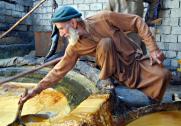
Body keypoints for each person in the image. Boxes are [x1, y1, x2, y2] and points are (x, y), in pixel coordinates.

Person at [19, 6, 171, 105]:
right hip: (114, 71)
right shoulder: (74, 46)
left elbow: (137, 21)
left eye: (61, 29)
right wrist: (35, 90)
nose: (61, 34)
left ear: (73, 23)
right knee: (106, 43)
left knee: (163, 75)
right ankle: (107, 81)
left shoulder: (104, 18)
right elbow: (58, 71)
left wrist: (152, 49)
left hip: (133, 61)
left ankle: (152, 103)